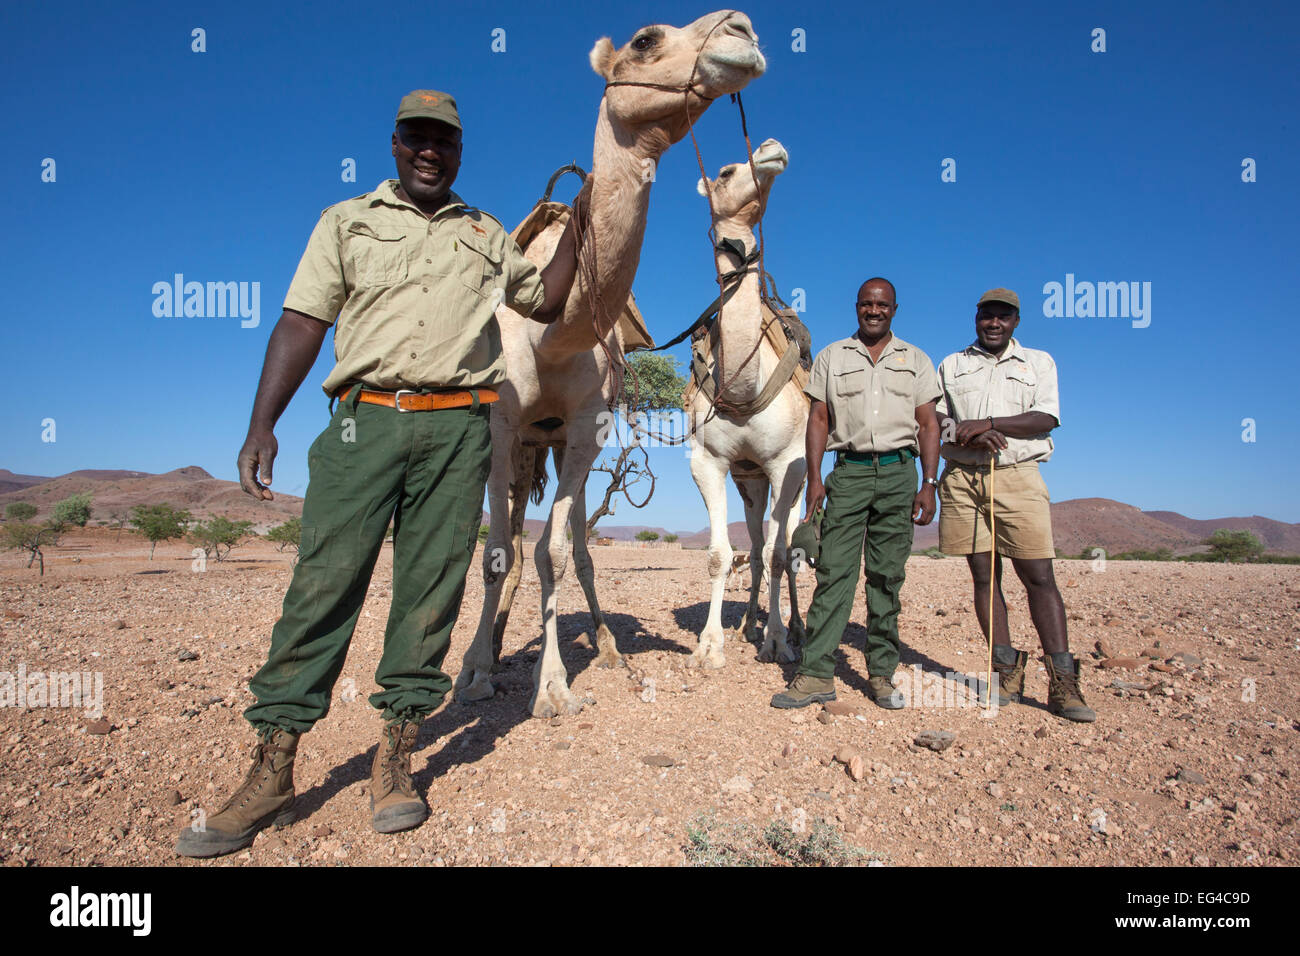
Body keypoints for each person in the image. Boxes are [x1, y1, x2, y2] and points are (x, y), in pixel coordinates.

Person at [175, 90, 583, 857]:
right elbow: (302, 321)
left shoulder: (488, 234)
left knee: (430, 593)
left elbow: (549, 299)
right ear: (395, 144)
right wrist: (263, 421)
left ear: (460, 153)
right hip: (364, 422)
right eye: (418, 137)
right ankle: (273, 765)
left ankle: (395, 757)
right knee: (322, 589)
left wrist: (586, 221)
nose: (431, 150)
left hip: (461, 428)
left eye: (446, 141)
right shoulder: (346, 221)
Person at [772, 278, 941, 710]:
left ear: (895, 309)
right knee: (834, 573)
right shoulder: (831, 357)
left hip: (901, 474)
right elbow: (819, 419)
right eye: (866, 304)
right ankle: (815, 675)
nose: (874, 310)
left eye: (882, 305)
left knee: (886, 578)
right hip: (848, 473)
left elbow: (928, 424)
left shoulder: (916, 360)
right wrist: (814, 479)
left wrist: (928, 482)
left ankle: (882, 674)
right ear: (856, 307)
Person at [934, 288, 1095, 722]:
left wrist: (988, 424)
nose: (994, 323)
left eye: (1003, 317)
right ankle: (1005, 670)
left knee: (1038, 575)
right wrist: (967, 433)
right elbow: (935, 422)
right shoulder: (952, 364)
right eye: (986, 315)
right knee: (984, 576)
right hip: (964, 479)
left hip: (1018, 477)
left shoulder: (1038, 363)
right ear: (976, 318)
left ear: (1016, 322)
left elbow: (1046, 418)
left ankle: (1064, 682)